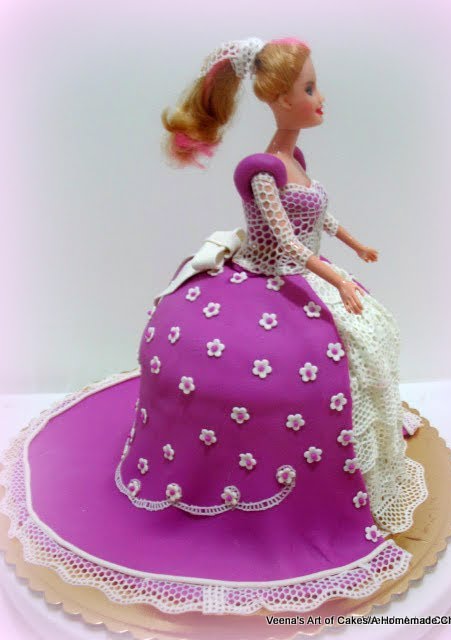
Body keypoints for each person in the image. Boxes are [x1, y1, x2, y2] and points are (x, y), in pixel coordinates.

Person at [0, 37, 428, 617]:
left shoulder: (297, 160)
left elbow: (321, 216)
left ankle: (364, 453)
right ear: (280, 100)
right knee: (271, 364)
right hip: (277, 274)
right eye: (308, 89)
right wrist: (335, 275)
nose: (321, 98)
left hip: (314, 274)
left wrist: (355, 246)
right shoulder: (259, 170)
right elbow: (284, 240)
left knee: (370, 337)